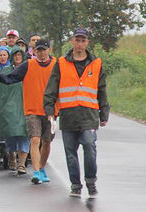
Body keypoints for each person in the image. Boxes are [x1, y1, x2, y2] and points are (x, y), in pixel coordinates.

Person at [44, 28, 109, 198]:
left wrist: (104, 113)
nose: (79, 44)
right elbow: (52, 87)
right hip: (68, 114)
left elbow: (101, 89)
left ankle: (90, 182)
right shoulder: (61, 62)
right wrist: (50, 110)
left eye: (83, 41)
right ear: (72, 41)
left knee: (89, 145)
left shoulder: (96, 63)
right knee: (70, 152)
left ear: (87, 42)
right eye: (77, 40)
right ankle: (75, 184)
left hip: (89, 115)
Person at [0, 38, 57, 184]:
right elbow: (9, 79)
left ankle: (42, 168)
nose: (42, 53)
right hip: (32, 110)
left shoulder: (57, 65)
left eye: (44, 50)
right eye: (39, 50)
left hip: (50, 110)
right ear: (34, 51)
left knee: (46, 142)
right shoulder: (28, 65)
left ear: (49, 50)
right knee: (35, 139)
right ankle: (36, 172)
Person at [0, 46, 29, 174]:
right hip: (9, 107)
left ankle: (21, 163)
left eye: (19, 55)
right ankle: (11, 155)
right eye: (15, 55)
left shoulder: (29, 69)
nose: (17, 57)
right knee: (10, 133)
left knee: (24, 134)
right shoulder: (6, 70)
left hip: (25, 106)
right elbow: (0, 87)